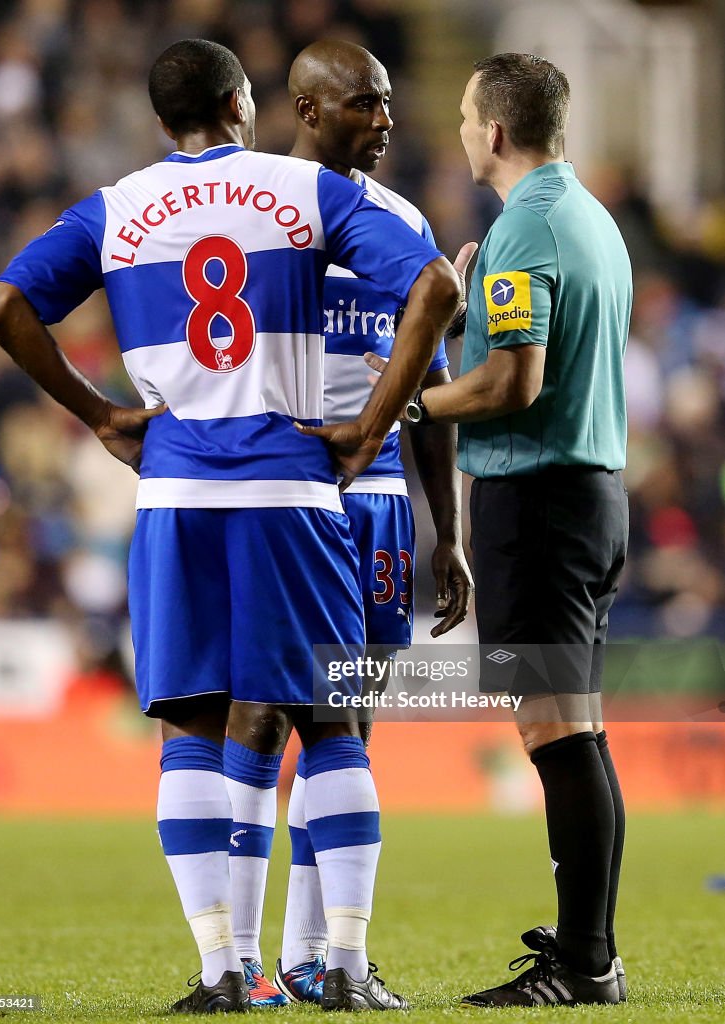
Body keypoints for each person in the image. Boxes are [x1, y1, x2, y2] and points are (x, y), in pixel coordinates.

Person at [0, 39, 460, 1014]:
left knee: (196, 731)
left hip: (172, 492)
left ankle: (222, 969)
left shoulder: (117, 204)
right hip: (298, 487)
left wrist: (103, 414)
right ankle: (340, 961)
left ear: (161, 119)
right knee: (333, 726)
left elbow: (3, 304)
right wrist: (369, 432)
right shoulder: (303, 195)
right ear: (250, 102)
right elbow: (436, 292)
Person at [218, 39, 474, 1009]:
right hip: (289, 491)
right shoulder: (246, 216)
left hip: (372, 509)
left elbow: (433, 385)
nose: (385, 123)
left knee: (348, 722)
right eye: (365, 105)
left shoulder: (401, 220)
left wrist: (443, 530)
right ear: (308, 108)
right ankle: (238, 958)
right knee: (262, 708)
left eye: (388, 103)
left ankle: (307, 957)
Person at [378, 53, 631, 1006]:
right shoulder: (587, 219)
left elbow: (512, 384)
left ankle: (582, 963)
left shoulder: (524, 230)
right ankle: (588, 949)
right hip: (589, 496)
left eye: (461, 118)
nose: (455, 132)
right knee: (581, 730)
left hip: (537, 505)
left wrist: (412, 403)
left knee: (554, 731)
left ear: (492, 132)